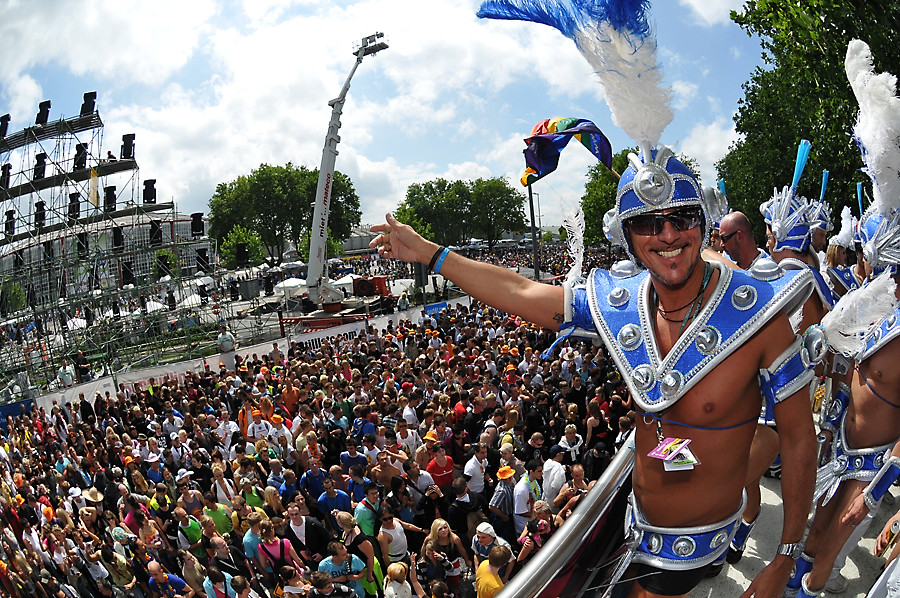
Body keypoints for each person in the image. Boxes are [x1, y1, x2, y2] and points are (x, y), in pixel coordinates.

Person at [369, 143, 819, 598]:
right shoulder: (622, 305)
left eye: (682, 217)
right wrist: (430, 253)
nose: (666, 234)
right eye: (647, 222)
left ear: (702, 223)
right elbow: (522, 291)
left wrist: (786, 556)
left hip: (695, 543)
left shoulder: (759, 315)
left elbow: (800, 437)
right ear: (628, 235)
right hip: (635, 524)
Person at [790, 44, 900, 598]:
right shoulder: (884, 300)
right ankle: (806, 561)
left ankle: (810, 584)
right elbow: (839, 334)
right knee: (826, 510)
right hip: (845, 438)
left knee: (846, 517)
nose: (879, 271)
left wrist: (886, 479)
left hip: (874, 460)